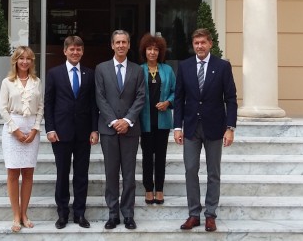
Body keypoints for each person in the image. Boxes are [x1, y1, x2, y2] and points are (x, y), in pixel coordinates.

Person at [173, 28, 237, 232]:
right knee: (191, 170)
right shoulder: (184, 66)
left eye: (203, 42)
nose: (199, 46)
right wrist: (177, 126)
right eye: (196, 43)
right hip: (191, 127)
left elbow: (231, 99)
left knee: (213, 172)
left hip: (215, 127)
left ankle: (210, 214)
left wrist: (230, 128)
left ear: (210, 44)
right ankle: (194, 214)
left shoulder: (223, 66)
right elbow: (179, 98)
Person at [44, 35, 99, 229]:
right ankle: (62, 214)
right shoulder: (54, 73)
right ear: (65, 51)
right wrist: (49, 128)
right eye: (71, 49)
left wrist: (95, 129)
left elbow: (93, 104)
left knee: (81, 175)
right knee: (62, 174)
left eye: (78, 49)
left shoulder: (89, 74)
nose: (75, 52)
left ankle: (80, 214)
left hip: (84, 134)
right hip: (61, 133)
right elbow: (48, 103)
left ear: (82, 51)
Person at [95, 29, 145, 230]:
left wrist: (127, 120)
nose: (121, 45)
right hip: (109, 130)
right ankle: (113, 214)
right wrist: (114, 121)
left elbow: (141, 97)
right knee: (111, 174)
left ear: (129, 45)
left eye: (125, 42)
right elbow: (100, 97)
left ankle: (128, 214)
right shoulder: (101, 69)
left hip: (130, 130)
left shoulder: (137, 70)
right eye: (118, 42)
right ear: (112, 45)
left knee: (129, 174)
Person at [0, 46, 44, 233]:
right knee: (12, 173)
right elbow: (2, 109)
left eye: (28, 59)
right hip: (13, 127)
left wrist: (35, 129)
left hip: (31, 126)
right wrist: (15, 130)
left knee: (28, 173)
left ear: (32, 62)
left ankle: (24, 214)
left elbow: (41, 107)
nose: (25, 62)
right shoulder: (7, 82)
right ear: (15, 61)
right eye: (21, 58)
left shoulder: (37, 81)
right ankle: (15, 215)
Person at [138, 33, 176, 205]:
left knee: (161, 156)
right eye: (149, 49)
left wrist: (168, 102)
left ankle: (159, 189)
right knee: (147, 156)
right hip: (144, 120)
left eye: (155, 49)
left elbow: (177, 91)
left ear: (160, 52)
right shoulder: (139, 70)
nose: (152, 52)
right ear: (144, 51)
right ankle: (148, 189)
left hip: (162, 120)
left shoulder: (167, 70)